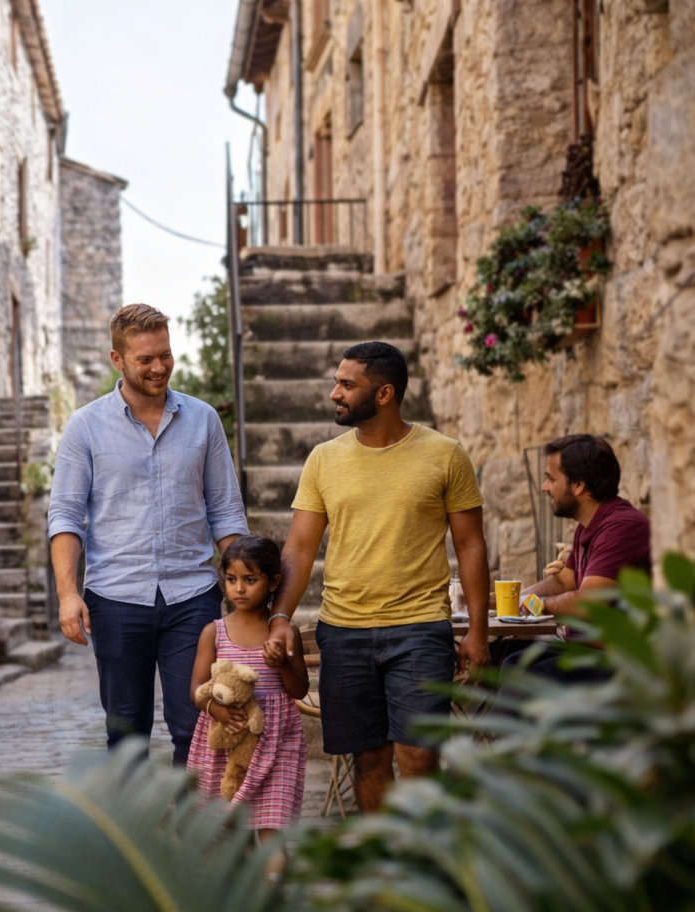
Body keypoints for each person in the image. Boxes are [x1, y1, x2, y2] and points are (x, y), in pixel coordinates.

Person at [266, 341, 491, 813]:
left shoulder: (445, 455)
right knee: (368, 758)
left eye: (348, 384)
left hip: (419, 629)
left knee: (419, 755)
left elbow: (470, 544)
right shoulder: (323, 460)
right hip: (343, 631)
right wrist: (280, 614)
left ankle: (423, 865)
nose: (335, 393)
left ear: (385, 393)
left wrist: (477, 630)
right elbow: (300, 547)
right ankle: (381, 869)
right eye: (337, 382)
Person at [48, 302, 249, 766]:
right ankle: (131, 835)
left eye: (165, 355)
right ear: (117, 359)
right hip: (115, 598)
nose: (159, 367)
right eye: (145, 359)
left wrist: (245, 588)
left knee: (198, 724)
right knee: (126, 731)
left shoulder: (203, 420)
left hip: (192, 595)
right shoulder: (85, 427)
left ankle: (190, 834)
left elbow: (225, 511)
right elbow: (65, 516)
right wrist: (66, 594)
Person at [187, 536, 309, 874]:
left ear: (273, 582)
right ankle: (239, 901)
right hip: (226, 744)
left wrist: (282, 663)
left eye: (250, 580)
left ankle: (273, 899)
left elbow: (299, 690)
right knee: (229, 830)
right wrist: (217, 710)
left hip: (276, 741)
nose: (239, 589)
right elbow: (196, 687)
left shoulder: (283, 632)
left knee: (272, 830)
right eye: (231, 579)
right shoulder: (214, 632)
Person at [521, 433, 651, 681]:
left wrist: (532, 605)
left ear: (579, 485)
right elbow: (561, 583)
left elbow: (588, 604)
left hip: (622, 665)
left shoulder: (622, 527)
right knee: (511, 657)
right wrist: (511, 600)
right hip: (585, 652)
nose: (544, 487)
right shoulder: (588, 525)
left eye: (550, 479)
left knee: (529, 674)